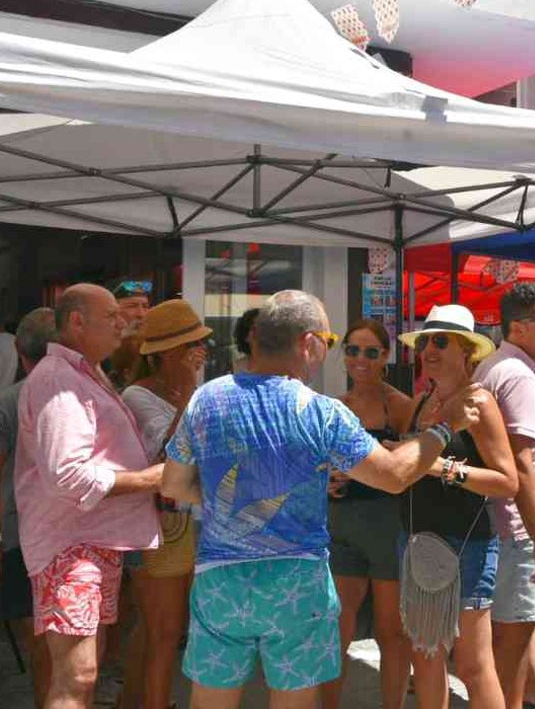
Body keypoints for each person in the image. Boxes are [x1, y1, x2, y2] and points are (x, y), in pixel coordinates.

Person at [161, 290, 483, 709]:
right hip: (297, 585)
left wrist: (236, 498)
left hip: (221, 582)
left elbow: (171, 485)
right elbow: (393, 476)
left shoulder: (207, 398)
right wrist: (444, 430)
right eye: (330, 344)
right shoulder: (319, 411)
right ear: (309, 343)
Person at [13, 283, 165, 709]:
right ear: (76, 322)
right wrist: (150, 479)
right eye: (111, 315)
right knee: (77, 674)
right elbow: (68, 476)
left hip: (90, 542)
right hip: (70, 544)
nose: (123, 323)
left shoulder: (81, 372)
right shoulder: (58, 378)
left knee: (86, 670)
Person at [396, 305, 519, 709]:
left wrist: (441, 468)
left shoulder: (479, 402)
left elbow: (507, 482)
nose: (429, 348)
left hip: (467, 546)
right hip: (416, 539)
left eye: (441, 341)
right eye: (426, 341)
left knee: (472, 665)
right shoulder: (420, 401)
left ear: (466, 351)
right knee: (426, 655)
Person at [472, 282, 535, 709]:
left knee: (523, 624)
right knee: (511, 637)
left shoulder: (495, 365)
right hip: (513, 524)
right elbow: (522, 464)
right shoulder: (519, 376)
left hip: (497, 520)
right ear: (519, 327)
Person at [121, 299, 211, 709]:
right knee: (164, 631)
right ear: (166, 353)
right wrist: (192, 389)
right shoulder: (137, 395)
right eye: (192, 346)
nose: (200, 353)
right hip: (157, 523)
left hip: (190, 522)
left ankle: (135, 700)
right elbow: (170, 452)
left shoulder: (189, 390)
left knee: (161, 629)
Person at [321, 319, 414, 709]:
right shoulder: (335, 407)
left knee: (392, 632)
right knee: (337, 628)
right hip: (343, 523)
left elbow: (418, 466)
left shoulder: (401, 406)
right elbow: (319, 466)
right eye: (353, 351)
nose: (361, 359)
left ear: (385, 358)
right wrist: (327, 480)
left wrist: (397, 454)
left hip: (389, 523)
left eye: (371, 352)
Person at [0, 307, 58, 708]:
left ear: (17, 350)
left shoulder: (2, 405)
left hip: (23, 535)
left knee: (41, 640)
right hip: (78, 533)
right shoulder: (92, 393)